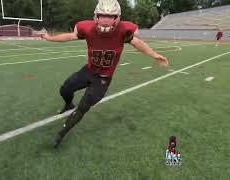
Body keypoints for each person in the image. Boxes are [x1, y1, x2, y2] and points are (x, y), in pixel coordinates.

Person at [40, 0, 169, 148]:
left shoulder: (124, 30)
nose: (106, 20)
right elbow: (69, 36)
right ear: (96, 16)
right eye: (102, 15)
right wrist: (50, 38)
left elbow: (137, 43)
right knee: (65, 89)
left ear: (117, 18)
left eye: (110, 16)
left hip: (103, 79)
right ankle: (68, 104)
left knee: (83, 107)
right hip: (88, 71)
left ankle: (61, 134)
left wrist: (154, 54)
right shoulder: (87, 28)